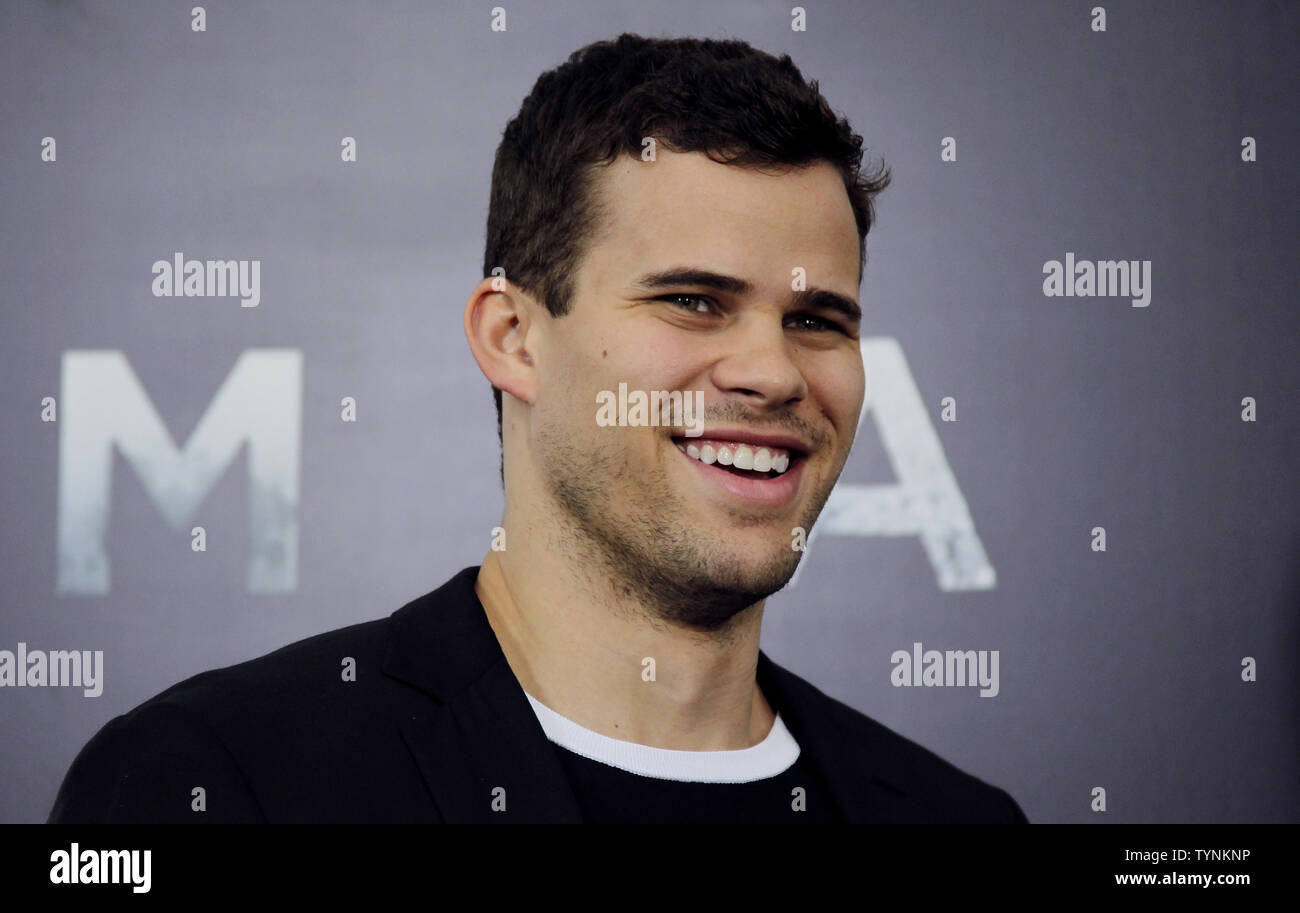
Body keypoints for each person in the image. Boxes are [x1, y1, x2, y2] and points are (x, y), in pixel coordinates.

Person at [49, 33, 1027, 823]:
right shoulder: (212, 781)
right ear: (513, 336)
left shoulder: (956, 816)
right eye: (692, 300)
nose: (773, 371)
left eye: (816, 320)